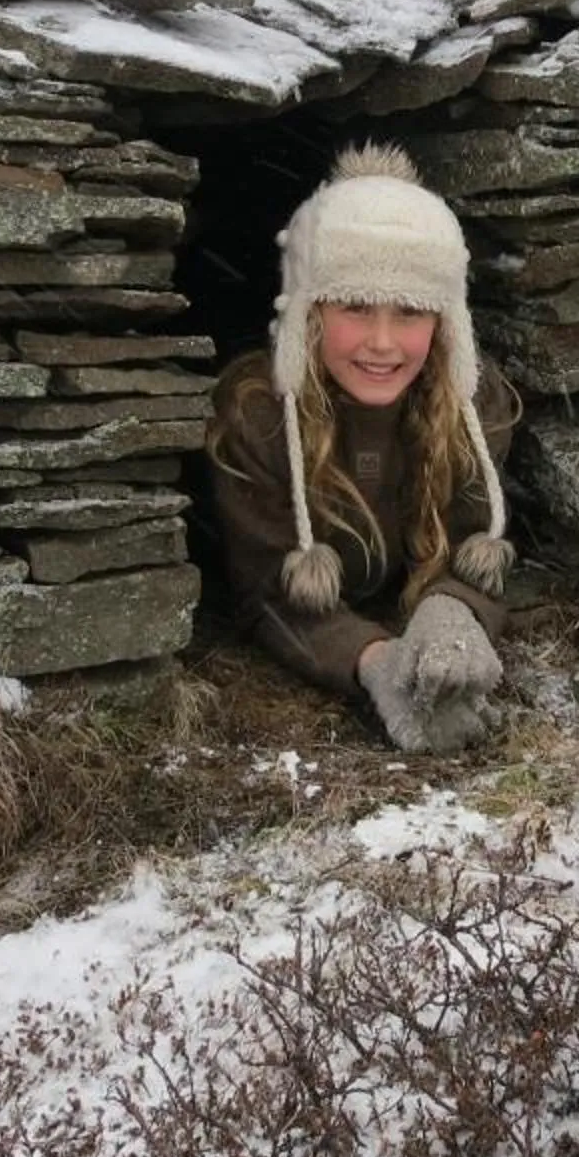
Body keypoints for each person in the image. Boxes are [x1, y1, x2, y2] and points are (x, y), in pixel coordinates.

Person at [204, 141, 522, 751]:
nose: (383, 342)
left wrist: (454, 612)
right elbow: (265, 591)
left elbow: (484, 548)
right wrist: (374, 659)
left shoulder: (473, 412)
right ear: (309, 313)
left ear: (445, 321)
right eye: (355, 306)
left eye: (410, 311)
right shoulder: (260, 419)